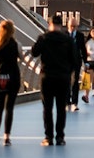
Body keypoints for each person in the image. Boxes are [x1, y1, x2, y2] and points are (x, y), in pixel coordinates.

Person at [31, 14, 75, 147]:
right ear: (61, 25)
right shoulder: (68, 39)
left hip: (47, 77)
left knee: (47, 108)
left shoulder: (44, 38)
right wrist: (69, 73)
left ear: (49, 24)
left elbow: (34, 53)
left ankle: (48, 137)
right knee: (61, 108)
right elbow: (74, 60)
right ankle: (60, 137)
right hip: (63, 77)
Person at [0, 20, 20, 146]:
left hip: (0, 77)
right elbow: (21, 57)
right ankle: (7, 137)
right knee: (9, 108)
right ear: (12, 31)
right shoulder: (16, 44)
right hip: (13, 78)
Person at [67, 17, 87, 112]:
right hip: (65, 62)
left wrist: (85, 61)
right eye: (71, 26)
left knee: (75, 82)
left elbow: (83, 49)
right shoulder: (64, 35)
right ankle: (67, 102)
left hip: (76, 61)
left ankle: (75, 103)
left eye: (75, 26)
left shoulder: (80, 35)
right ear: (68, 25)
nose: (73, 28)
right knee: (66, 81)